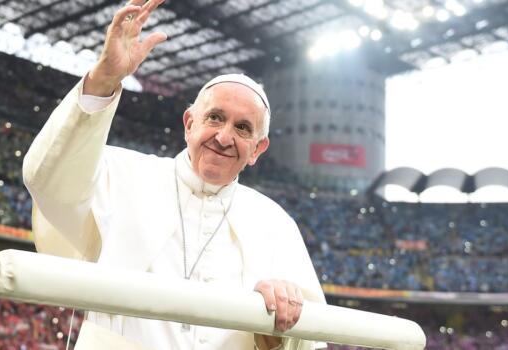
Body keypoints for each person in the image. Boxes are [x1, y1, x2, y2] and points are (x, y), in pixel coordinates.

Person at [22, 0, 325, 349]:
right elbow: (46, 178)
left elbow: (312, 341)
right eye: (215, 118)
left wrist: (278, 334)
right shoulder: (122, 174)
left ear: (257, 150)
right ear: (189, 123)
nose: (224, 137)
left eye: (242, 128)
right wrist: (104, 78)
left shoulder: (276, 223)